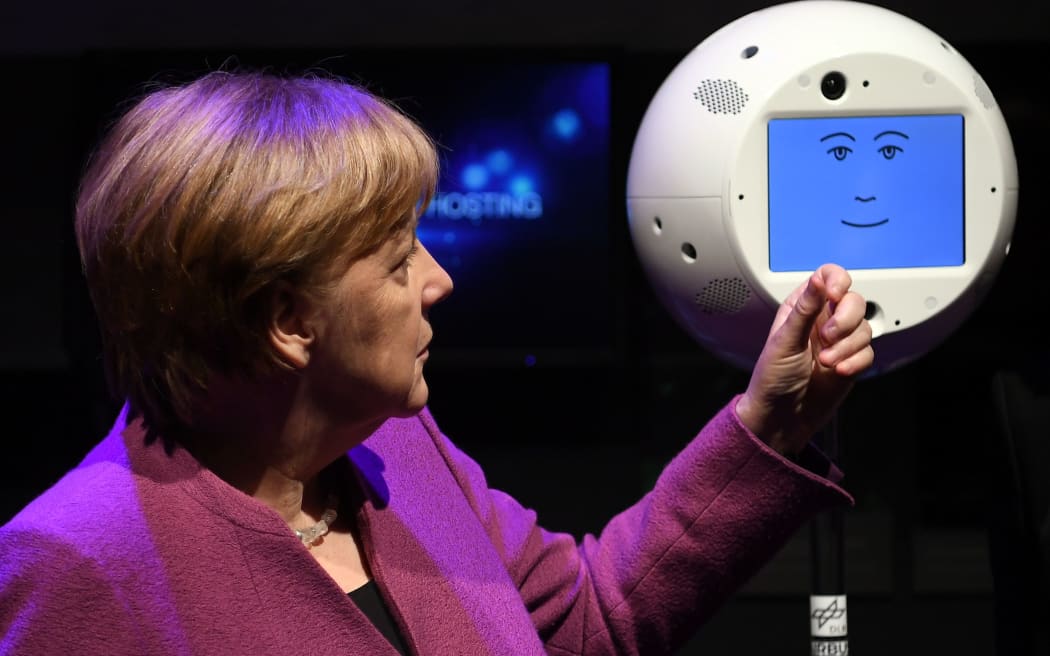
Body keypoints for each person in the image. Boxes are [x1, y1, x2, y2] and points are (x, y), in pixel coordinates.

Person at [0, 71, 873, 655]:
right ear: (287, 320)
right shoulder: (75, 561)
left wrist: (773, 424)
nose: (440, 281)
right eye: (398, 258)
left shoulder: (401, 450)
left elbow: (588, 623)